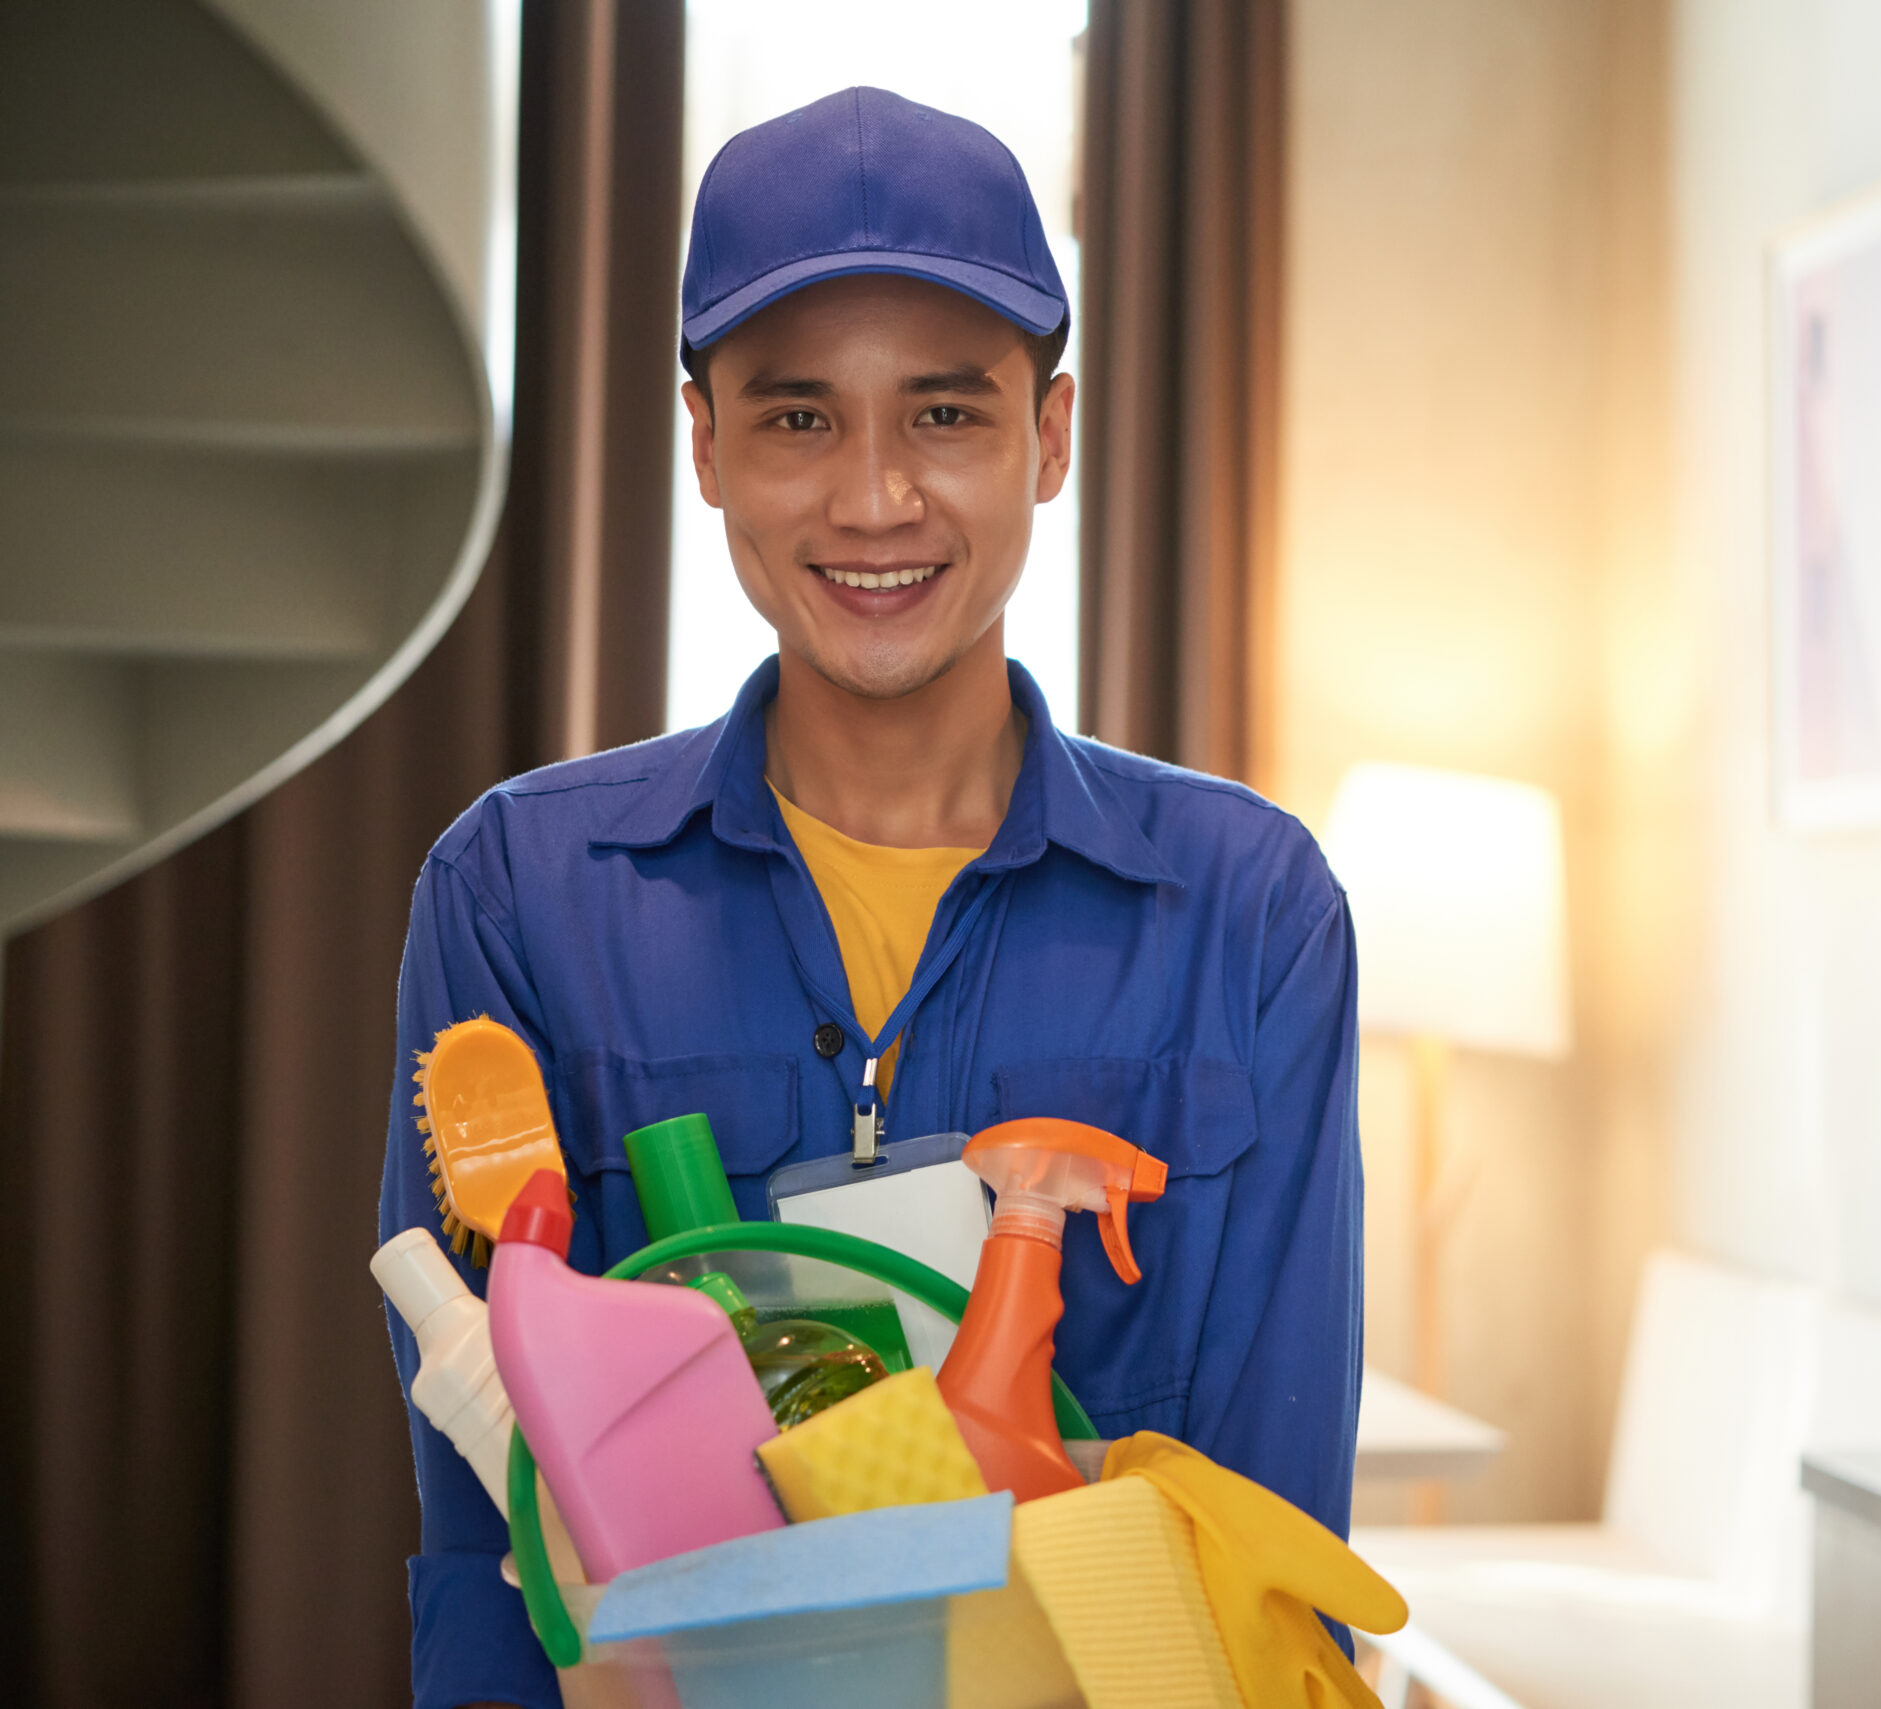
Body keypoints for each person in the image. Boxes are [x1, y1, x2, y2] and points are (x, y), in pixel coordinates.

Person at [378, 86, 1363, 1709]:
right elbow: (486, 1543)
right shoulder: (517, 891)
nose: (876, 500)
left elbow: (1269, 1539)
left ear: (1050, 436)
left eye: (947, 415)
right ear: (703, 444)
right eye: (798, 417)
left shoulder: (1250, 911)